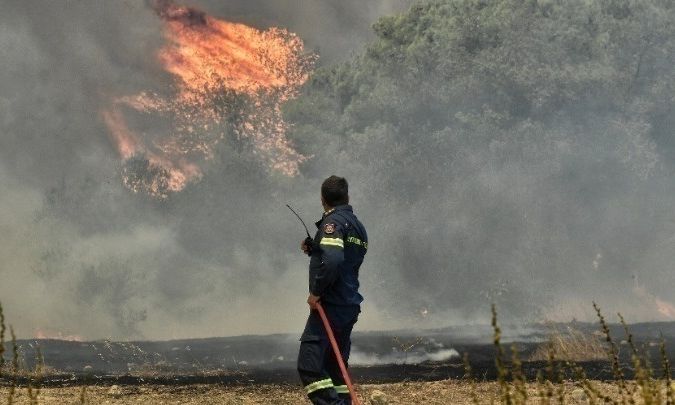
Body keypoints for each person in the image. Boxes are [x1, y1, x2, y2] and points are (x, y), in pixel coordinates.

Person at [297, 175, 368, 405]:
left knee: (310, 367)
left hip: (331, 305)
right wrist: (315, 249)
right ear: (347, 196)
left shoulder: (333, 224)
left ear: (322, 199)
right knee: (335, 369)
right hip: (348, 304)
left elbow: (334, 260)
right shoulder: (357, 226)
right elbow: (344, 257)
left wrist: (317, 291)